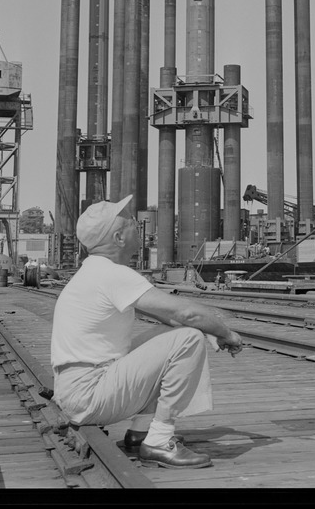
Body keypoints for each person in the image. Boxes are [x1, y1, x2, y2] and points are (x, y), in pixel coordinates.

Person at [50, 196, 244, 469]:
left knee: (176, 335)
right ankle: (160, 442)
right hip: (90, 394)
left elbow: (170, 316)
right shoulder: (112, 274)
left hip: (80, 389)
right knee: (187, 339)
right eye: (130, 222)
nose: (136, 224)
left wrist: (206, 330)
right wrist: (227, 334)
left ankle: (141, 432)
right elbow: (186, 313)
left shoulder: (94, 272)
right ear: (118, 238)